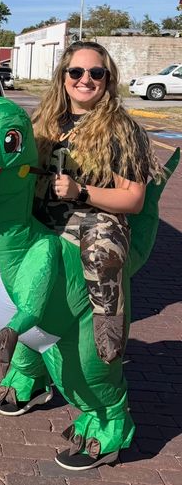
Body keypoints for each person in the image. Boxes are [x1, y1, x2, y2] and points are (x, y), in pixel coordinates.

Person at [32, 40, 162, 366]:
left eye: (96, 72)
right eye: (76, 71)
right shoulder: (43, 121)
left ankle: (107, 324)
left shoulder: (121, 129)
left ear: (107, 79)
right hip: (43, 220)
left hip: (96, 223)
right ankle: (28, 364)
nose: (85, 79)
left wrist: (82, 191)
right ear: (63, 76)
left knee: (100, 237)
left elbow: (133, 198)